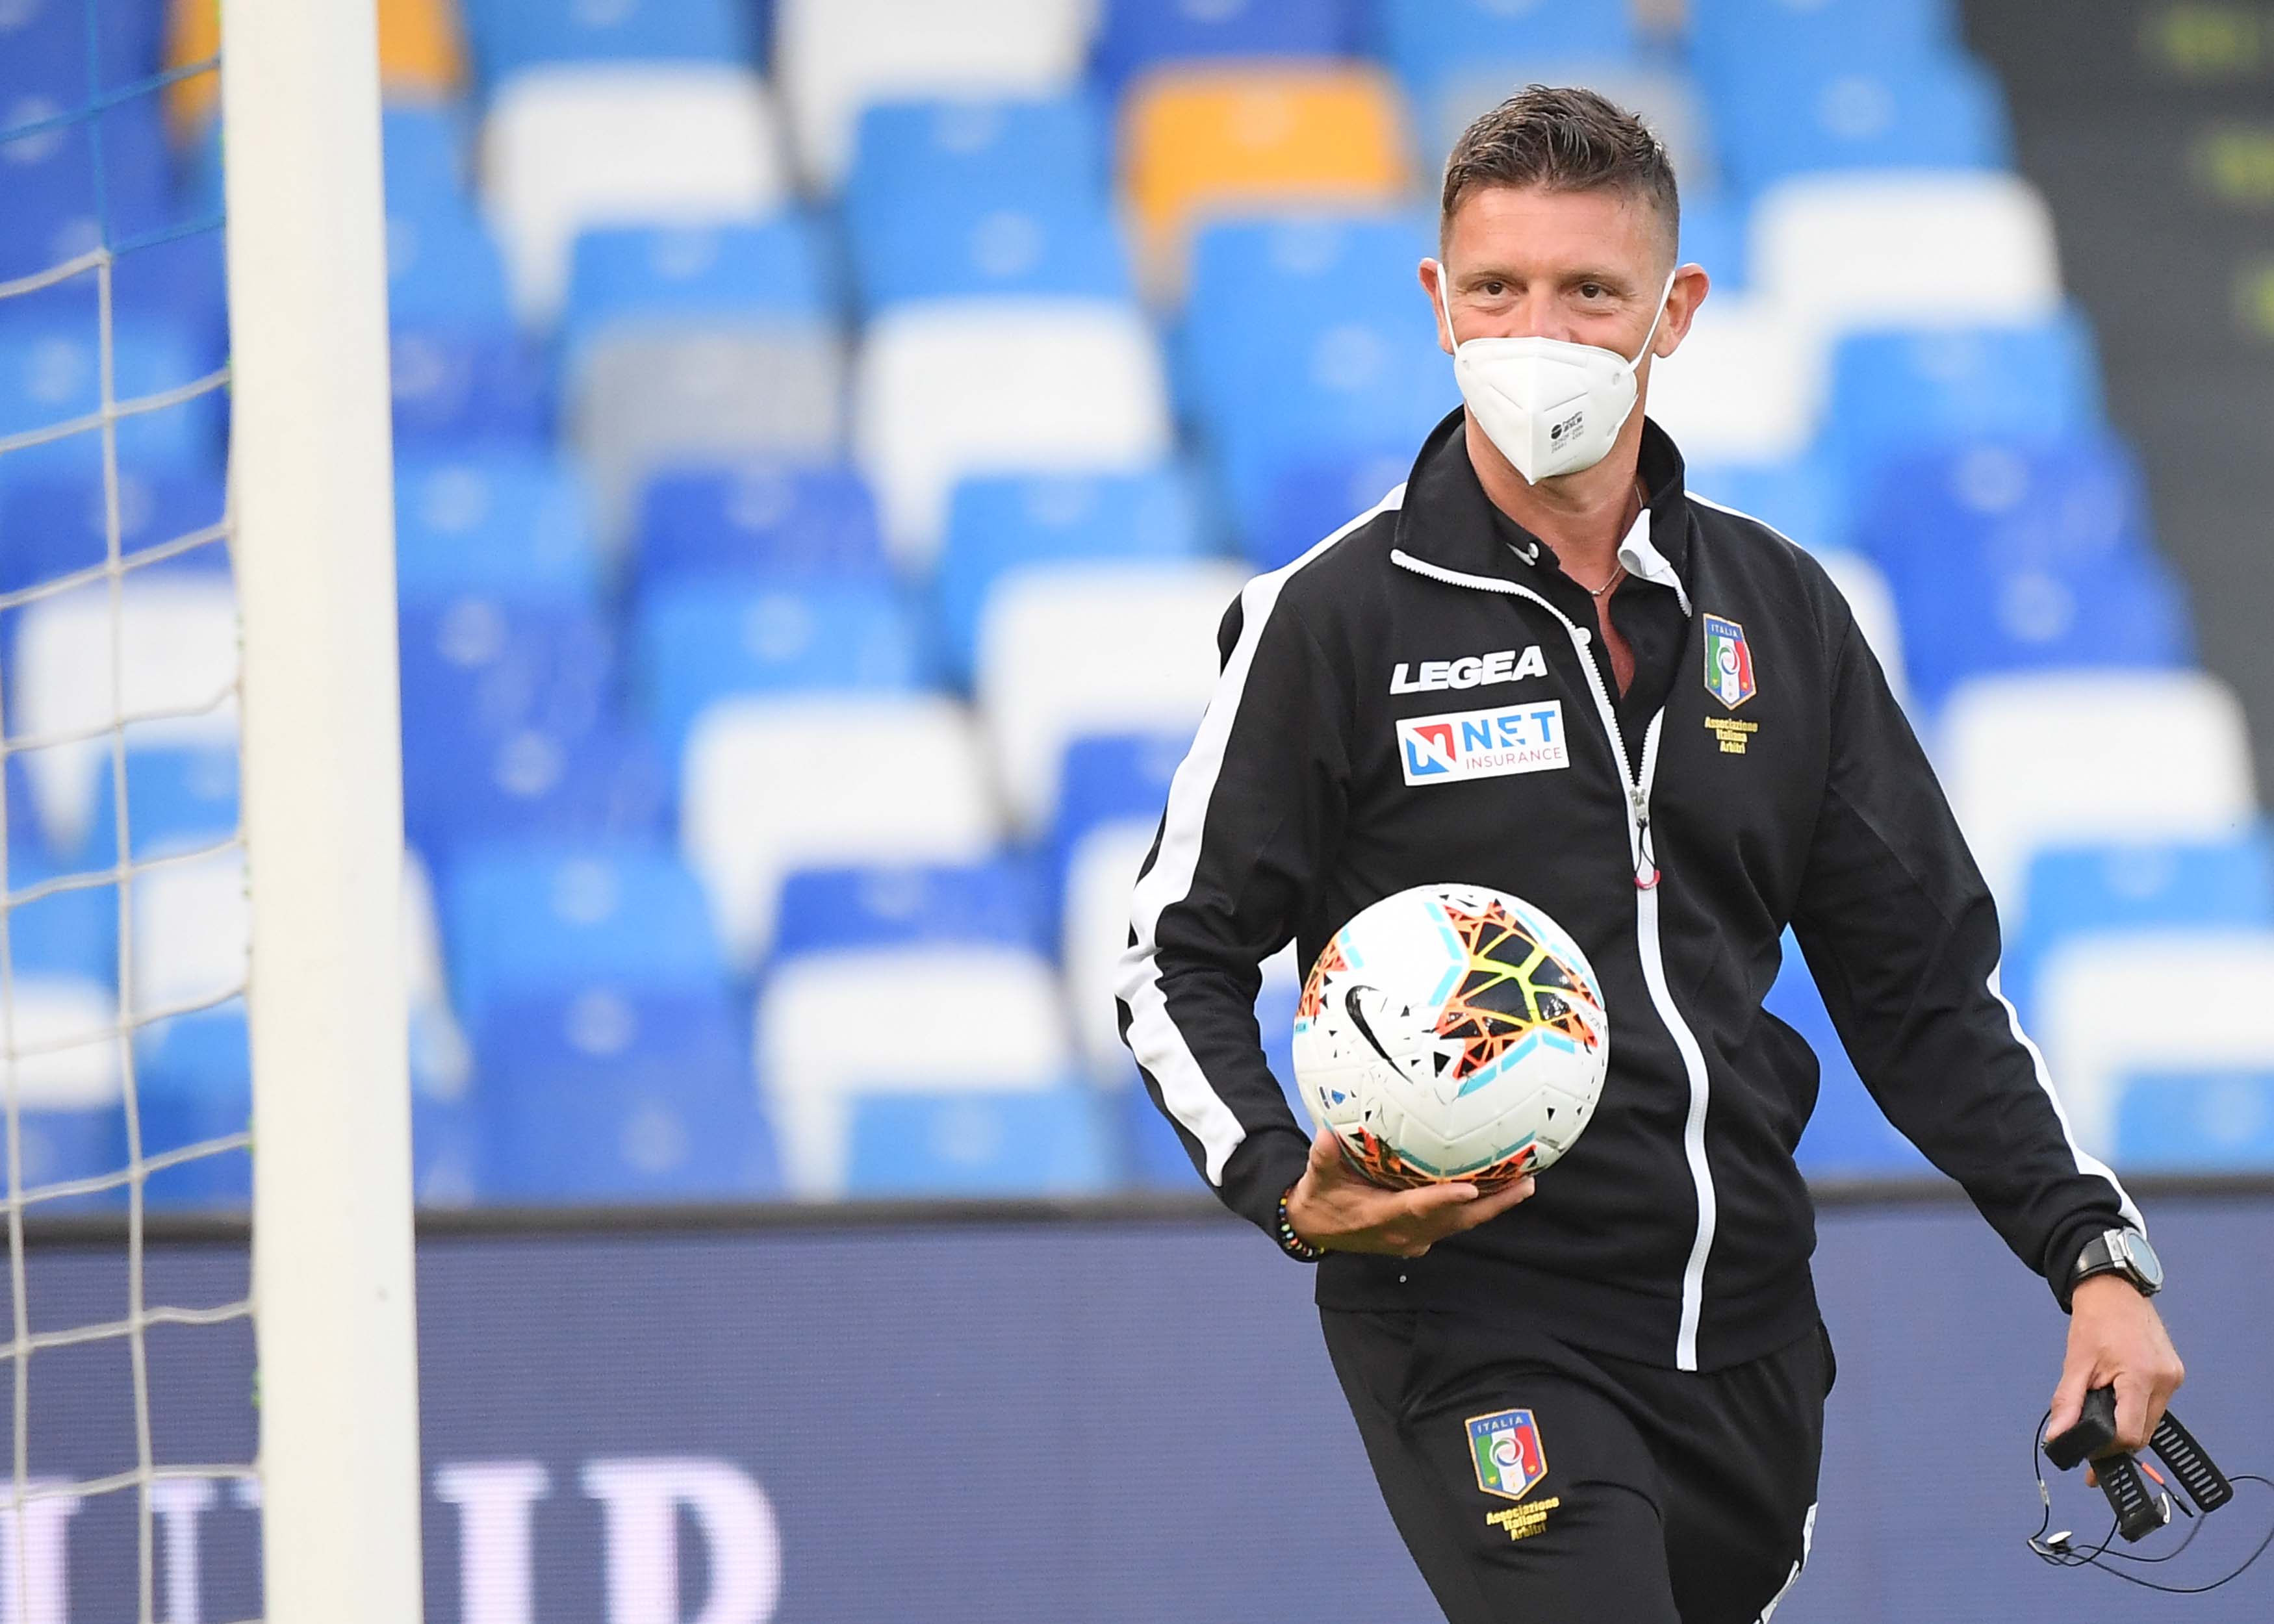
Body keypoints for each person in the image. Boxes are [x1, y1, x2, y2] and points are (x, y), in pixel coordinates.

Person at [1114, 86, 2184, 1623]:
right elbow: (1174, 952)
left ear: (1671, 311)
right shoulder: (1330, 619)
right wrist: (1288, 1184)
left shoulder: (1782, 609)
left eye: (1586, 293)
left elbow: (1923, 990)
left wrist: (2091, 1256)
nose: (1532, 333)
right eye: (1495, 289)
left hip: (1749, 1330)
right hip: (1476, 1323)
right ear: (1437, 303)